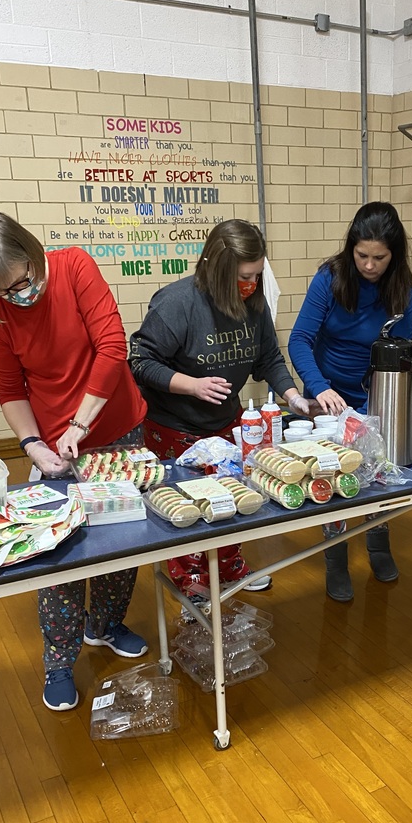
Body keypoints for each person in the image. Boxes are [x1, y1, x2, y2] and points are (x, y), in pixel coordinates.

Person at [0, 211, 149, 712]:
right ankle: (59, 662)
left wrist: (81, 425)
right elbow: (10, 386)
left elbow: (112, 348)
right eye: (5, 291)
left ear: (34, 254)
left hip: (113, 424)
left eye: (24, 280)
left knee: (121, 538)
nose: (20, 294)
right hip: (52, 444)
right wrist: (32, 446)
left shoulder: (73, 268)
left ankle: (105, 626)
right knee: (59, 554)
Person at [129, 218, 311, 599]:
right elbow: (141, 362)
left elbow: (268, 359)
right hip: (175, 425)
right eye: (244, 276)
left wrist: (293, 397)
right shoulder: (177, 303)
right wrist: (191, 385)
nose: (251, 285)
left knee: (231, 497)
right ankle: (189, 580)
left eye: (257, 275)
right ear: (216, 269)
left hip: (226, 422)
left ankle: (229, 567)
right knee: (186, 508)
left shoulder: (254, 303)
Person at [288, 201, 412, 601]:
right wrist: (319, 386)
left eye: (379, 257)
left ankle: (378, 543)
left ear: (393, 254)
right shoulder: (330, 278)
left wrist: (388, 402)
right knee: (333, 475)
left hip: (375, 396)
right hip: (327, 395)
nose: (369, 265)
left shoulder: (403, 290)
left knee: (378, 475)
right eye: (362, 255)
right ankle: (335, 557)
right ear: (351, 249)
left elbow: (400, 354)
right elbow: (300, 340)